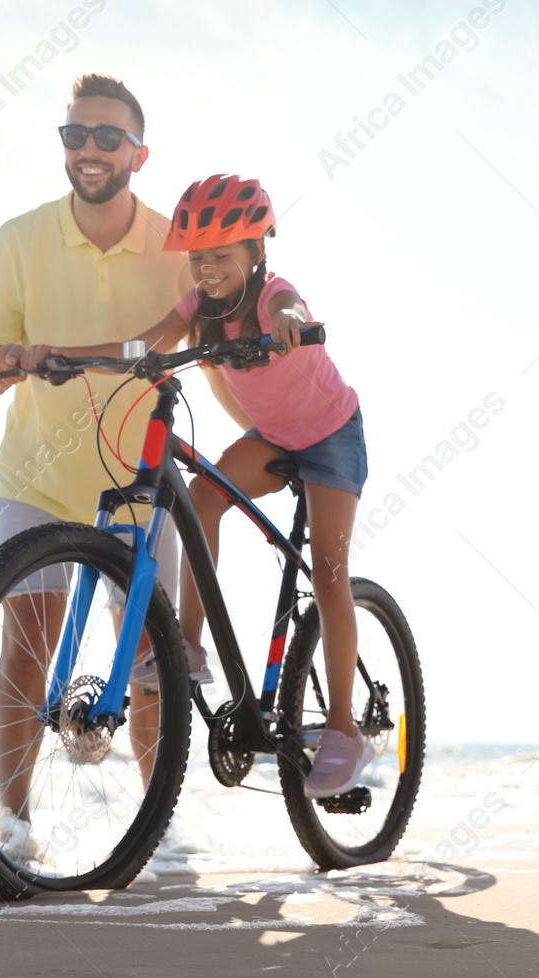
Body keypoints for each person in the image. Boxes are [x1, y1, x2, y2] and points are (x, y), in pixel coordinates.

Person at [0, 73, 193, 831]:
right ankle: (14, 831)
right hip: (38, 476)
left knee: (152, 669)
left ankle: (158, 836)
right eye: (75, 135)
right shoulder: (16, 239)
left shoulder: (173, 244)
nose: (89, 150)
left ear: (138, 153)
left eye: (107, 137)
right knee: (23, 653)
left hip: (141, 477)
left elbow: (212, 327)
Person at [132, 173, 372, 798]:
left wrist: (293, 323)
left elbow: (290, 309)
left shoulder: (273, 295)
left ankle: (345, 732)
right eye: (198, 257)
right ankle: (187, 647)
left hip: (332, 437)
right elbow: (155, 336)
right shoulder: (199, 305)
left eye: (222, 255)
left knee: (327, 575)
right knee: (201, 496)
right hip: (274, 439)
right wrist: (106, 357)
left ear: (256, 253)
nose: (207, 268)